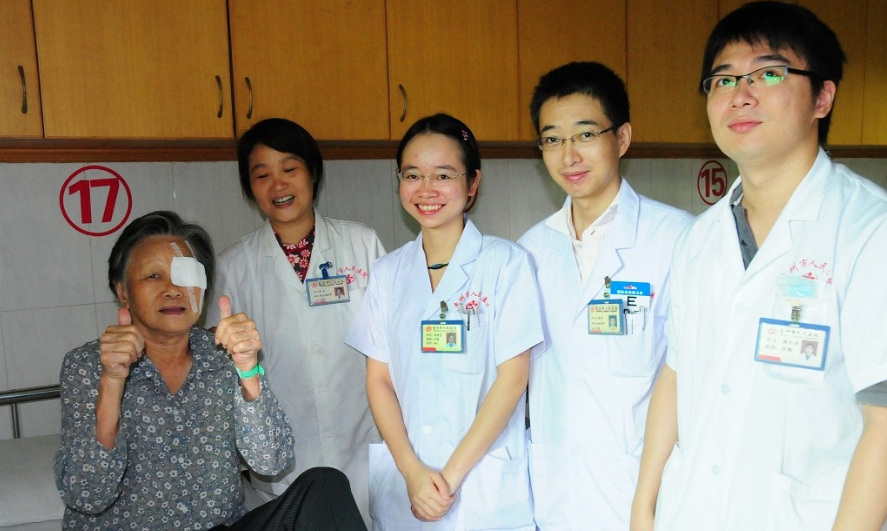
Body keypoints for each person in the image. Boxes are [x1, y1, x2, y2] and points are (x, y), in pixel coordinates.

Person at [631, 3, 887, 530]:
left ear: (822, 97)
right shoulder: (699, 239)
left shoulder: (868, 229)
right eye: (723, 79)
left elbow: (883, 422)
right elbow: (676, 375)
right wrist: (643, 510)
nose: (740, 95)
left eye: (769, 73)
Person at [54, 211, 366, 530]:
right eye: (154, 276)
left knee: (324, 484)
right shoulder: (88, 365)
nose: (173, 289)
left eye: (185, 275)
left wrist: (248, 370)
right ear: (123, 291)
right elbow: (86, 496)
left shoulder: (223, 355)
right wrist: (112, 382)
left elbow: (273, 461)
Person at [345, 114, 543, 530]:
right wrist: (412, 472)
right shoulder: (387, 272)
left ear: (472, 183)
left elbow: (512, 380)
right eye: (412, 175)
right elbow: (378, 380)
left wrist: (446, 479)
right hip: (408, 486)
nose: (426, 189)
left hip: (480, 490)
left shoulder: (506, 263)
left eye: (443, 175)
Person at [517, 62, 692, 530]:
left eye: (585, 134)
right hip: (556, 496)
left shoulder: (677, 238)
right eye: (552, 139)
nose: (568, 155)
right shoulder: (530, 251)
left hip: (645, 494)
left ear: (623, 138)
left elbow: (693, 377)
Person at [206, 118, 385, 525]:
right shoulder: (234, 267)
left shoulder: (362, 244)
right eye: (262, 175)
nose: (278, 185)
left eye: (290, 168)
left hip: (365, 449)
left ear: (313, 172)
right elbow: (226, 373)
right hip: (285, 465)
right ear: (249, 187)